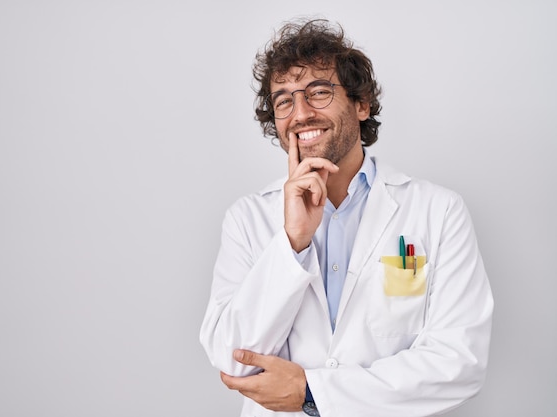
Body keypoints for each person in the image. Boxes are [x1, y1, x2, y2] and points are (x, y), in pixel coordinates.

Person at [199, 18, 493, 417]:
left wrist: (313, 392)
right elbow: (234, 360)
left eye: (318, 92)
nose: (300, 114)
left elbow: (459, 364)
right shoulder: (248, 218)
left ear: (361, 104)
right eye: (284, 100)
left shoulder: (438, 211)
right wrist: (292, 242)